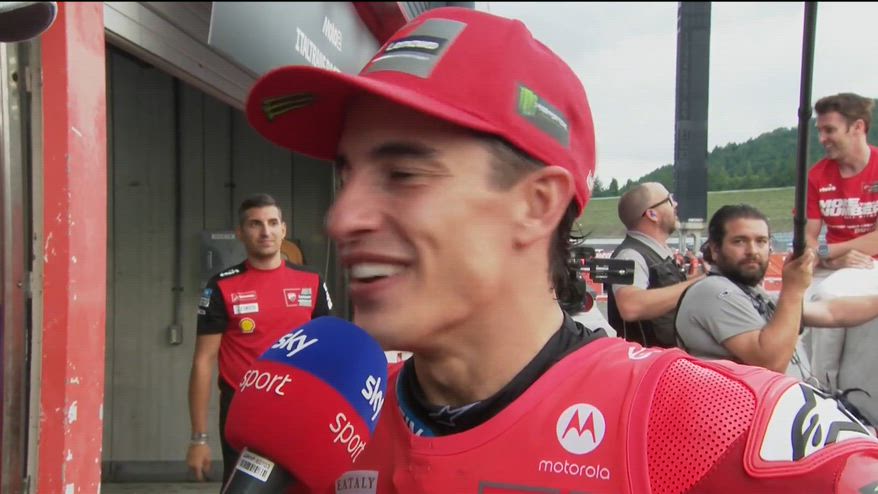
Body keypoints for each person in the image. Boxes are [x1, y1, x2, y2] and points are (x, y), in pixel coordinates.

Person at [245, 8, 878, 492]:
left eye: (403, 174)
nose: (341, 218)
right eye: (346, 175)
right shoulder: (330, 413)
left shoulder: (703, 419)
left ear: (537, 204)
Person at [186, 193, 331, 485]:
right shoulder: (221, 286)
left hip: (300, 409)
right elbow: (203, 362)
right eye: (255, 224)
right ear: (240, 233)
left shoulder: (312, 281)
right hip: (244, 412)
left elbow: (328, 353)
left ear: (283, 229)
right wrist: (198, 438)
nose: (266, 231)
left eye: (272, 223)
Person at [676, 205, 878, 383]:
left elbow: (831, 312)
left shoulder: (749, 293)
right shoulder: (713, 292)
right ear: (715, 249)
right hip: (753, 411)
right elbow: (771, 364)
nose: (752, 250)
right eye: (739, 241)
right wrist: (793, 289)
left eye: (761, 241)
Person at [804, 93, 878, 424]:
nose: (823, 139)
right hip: (837, 266)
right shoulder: (818, 175)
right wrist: (830, 258)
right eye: (820, 131)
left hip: (866, 265)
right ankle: (820, 387)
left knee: (829, 296)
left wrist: (829, 252)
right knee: (811, 299)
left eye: (830, 130)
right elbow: (808, 242)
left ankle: (826, 389)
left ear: (857, 127)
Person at [606, 183, 704, 347]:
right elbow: (630, 306)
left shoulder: (656, 252)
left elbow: (663, 286)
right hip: (653, 359)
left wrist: (701, 276)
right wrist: (698, 283)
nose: (676, 204)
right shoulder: (628, 255)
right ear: (652, 214)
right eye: (669, 200)